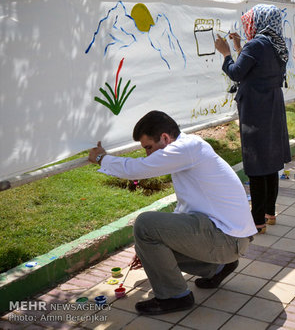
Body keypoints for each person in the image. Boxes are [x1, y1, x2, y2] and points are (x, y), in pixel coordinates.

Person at [87, 111, 256, 315]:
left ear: (165, 138)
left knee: (145, 224)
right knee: (149, 239)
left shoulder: (185, 149)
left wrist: (101, 158)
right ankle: (216, 269)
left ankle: (175, 297)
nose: (148, 154)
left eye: (149, 147)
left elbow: (138, 168)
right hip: (230, 238)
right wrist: (147, 250)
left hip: (228, 240)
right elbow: (187, 210)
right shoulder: (190, 149)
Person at [215, 4, 292, 234]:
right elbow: (256, 67)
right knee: (270, 159)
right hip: (272, 105)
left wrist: (227, 53)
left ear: (260, 21)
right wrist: (241, 47)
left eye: (251, 20)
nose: (249, 24)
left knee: (257, 161)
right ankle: (269, 213)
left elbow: (237, 72)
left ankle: (257, 221)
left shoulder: (257, 44)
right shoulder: (276, 43)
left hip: (256, 108)